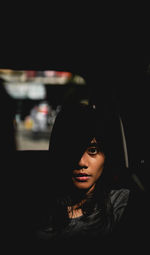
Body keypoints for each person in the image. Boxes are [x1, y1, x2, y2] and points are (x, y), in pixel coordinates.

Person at [33, 102, 148, 254]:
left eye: (93, 150)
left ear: (106, 156)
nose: (81, 162)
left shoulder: (122, 204)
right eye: (73, 150)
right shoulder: (37, 205)